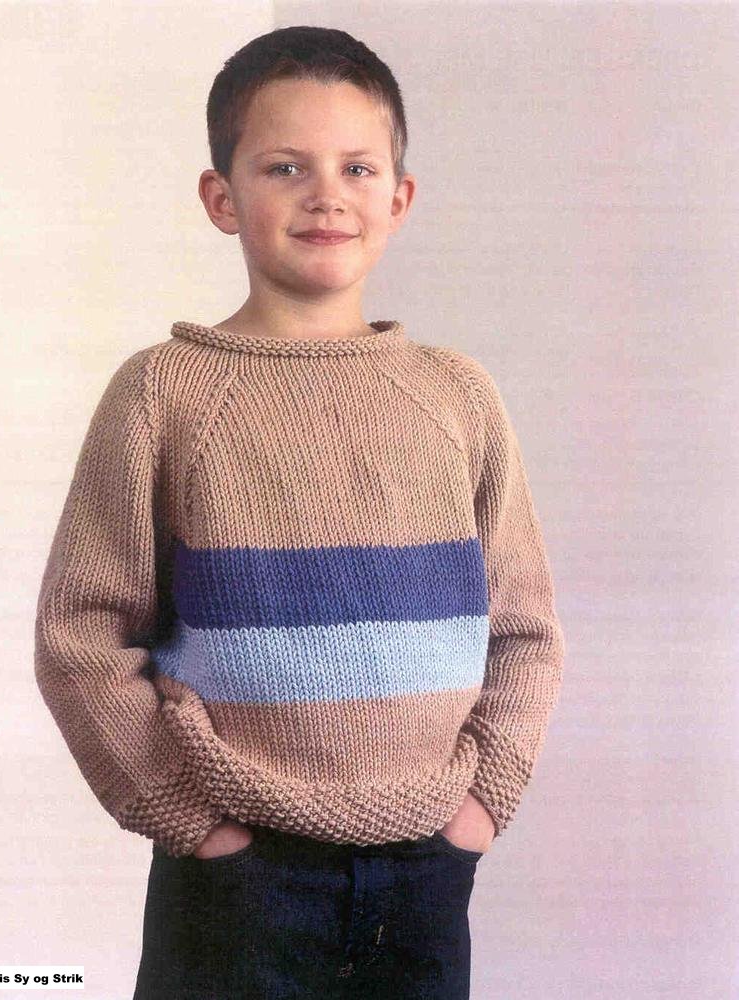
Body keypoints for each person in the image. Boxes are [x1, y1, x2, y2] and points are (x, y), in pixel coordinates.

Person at [33, 24, 565, 1000]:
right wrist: (198, 822)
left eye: (357, 167)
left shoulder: (457, 395)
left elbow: (524, 627)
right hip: (235, 879)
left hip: (426, 870)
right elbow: (81, 633)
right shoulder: (165, 392)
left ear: (398, 198)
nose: (327, 194)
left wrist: (482, 807)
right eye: (285, 167)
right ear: (221, 198)